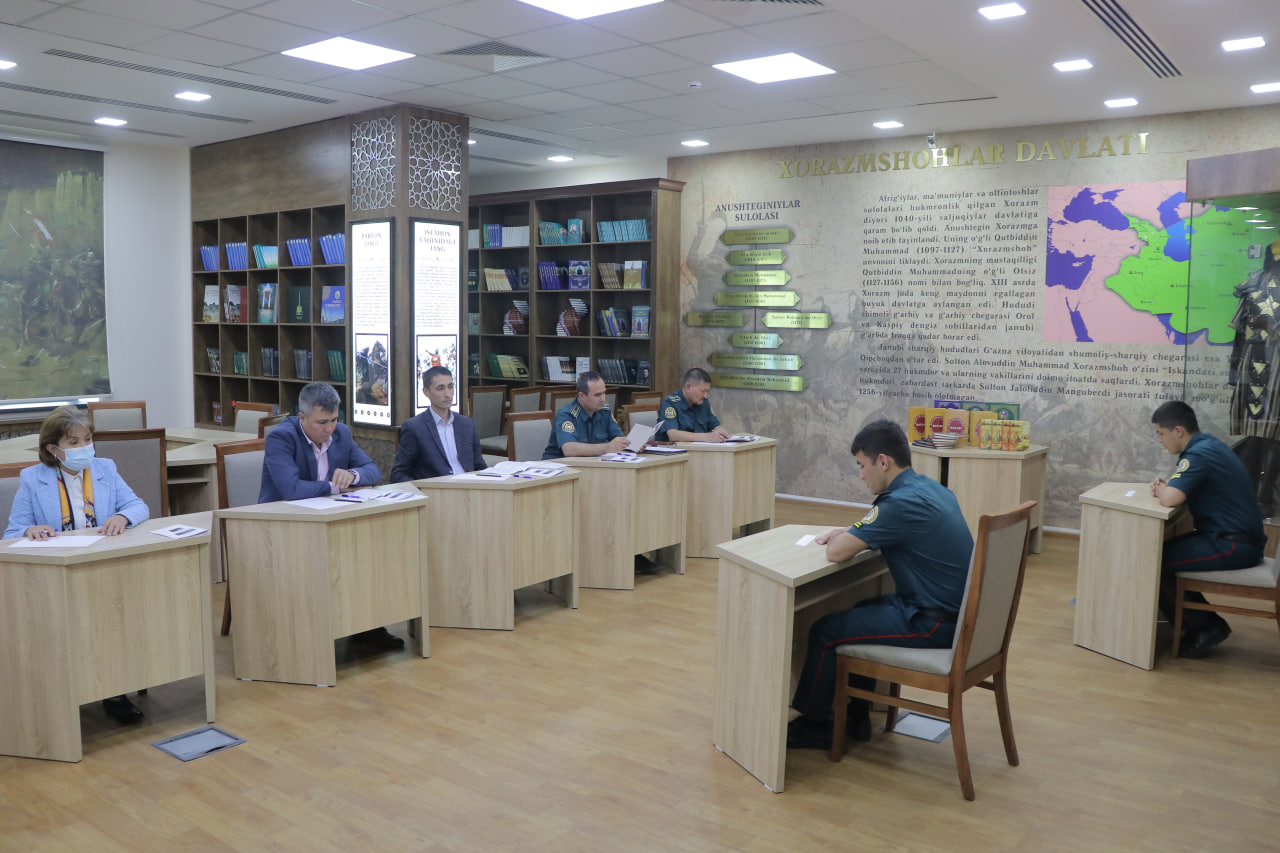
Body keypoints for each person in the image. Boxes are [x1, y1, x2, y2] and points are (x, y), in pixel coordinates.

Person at [787, 420, 974, 750]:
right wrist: (854, 530)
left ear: (883, 462)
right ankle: (857, 715)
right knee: (862, 608)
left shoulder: (898, 503)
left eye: (862, 465)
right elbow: (884, 526)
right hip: (956, 615)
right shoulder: (932, 489)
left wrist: (847, 535)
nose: (861, 475)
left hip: (933, 624)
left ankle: (815, 726)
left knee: (825, 632)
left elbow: (835, 553)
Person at [4, 405, 150, 723]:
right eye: (74, 442)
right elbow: (12, 533)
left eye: (87, 439)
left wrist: (122, 516)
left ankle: (114, 691)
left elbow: (138, 505)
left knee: (113, 616)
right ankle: (65, 692)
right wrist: (30, 531)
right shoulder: (33, 479)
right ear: (52, 449)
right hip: (57, 575)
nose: (84, 448)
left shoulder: (105, 468)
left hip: (103, 566)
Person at [259, 382, 401, 650]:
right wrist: (337, 486)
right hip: (280, 525)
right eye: (322, 422)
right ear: (302, 418)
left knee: (367, 547)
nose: (329, 429)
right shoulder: (281, 438)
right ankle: (307, 633)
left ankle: (366, 627)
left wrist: (353, 476)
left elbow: (372, 470)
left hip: (328, 518)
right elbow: (292, 490)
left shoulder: (342, 433)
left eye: (334, 420)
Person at [1150, 400, 1266, 658]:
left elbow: (1170, 499)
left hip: (1233, 544)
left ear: (1178, 430)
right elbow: (1180, 488)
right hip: (1238, 539)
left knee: (1154, 560)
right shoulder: (1208, 445)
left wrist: (1160, 490)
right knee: (1161, 553)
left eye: (1161, 433)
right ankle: (1201, 623)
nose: (1159, 440)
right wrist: (1168, 488)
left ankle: (1204, 627)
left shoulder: (1199, 454)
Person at [390, 366, 486, 481]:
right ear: (426, 392)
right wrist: (423, 489)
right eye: (440, 388)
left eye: (450, 387)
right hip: (438, 488)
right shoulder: (414, 428)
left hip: (469, 485)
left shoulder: (466, 424)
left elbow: (479, 466)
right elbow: (398, 474)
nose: (447, 394)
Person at [542, 371, 628, 459]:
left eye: (604, 393)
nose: (603, 399)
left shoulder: (604, 411)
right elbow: (569, 449)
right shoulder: (567, 415)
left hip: (591, 463)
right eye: (598, 395)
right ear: (582, 396)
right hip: (560, 463)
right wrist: (607, 448)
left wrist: (625, 444)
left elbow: (619, 439)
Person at [655, 367, 730, 443]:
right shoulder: (670, 403)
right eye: (702, 391)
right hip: (674, 449)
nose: (705, 395)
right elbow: (673, 435)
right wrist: (706, 437)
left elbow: (714, 425)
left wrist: (720, 431)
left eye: (707, 391)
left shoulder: (703, 402)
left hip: (699, 448)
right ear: (688, 387)